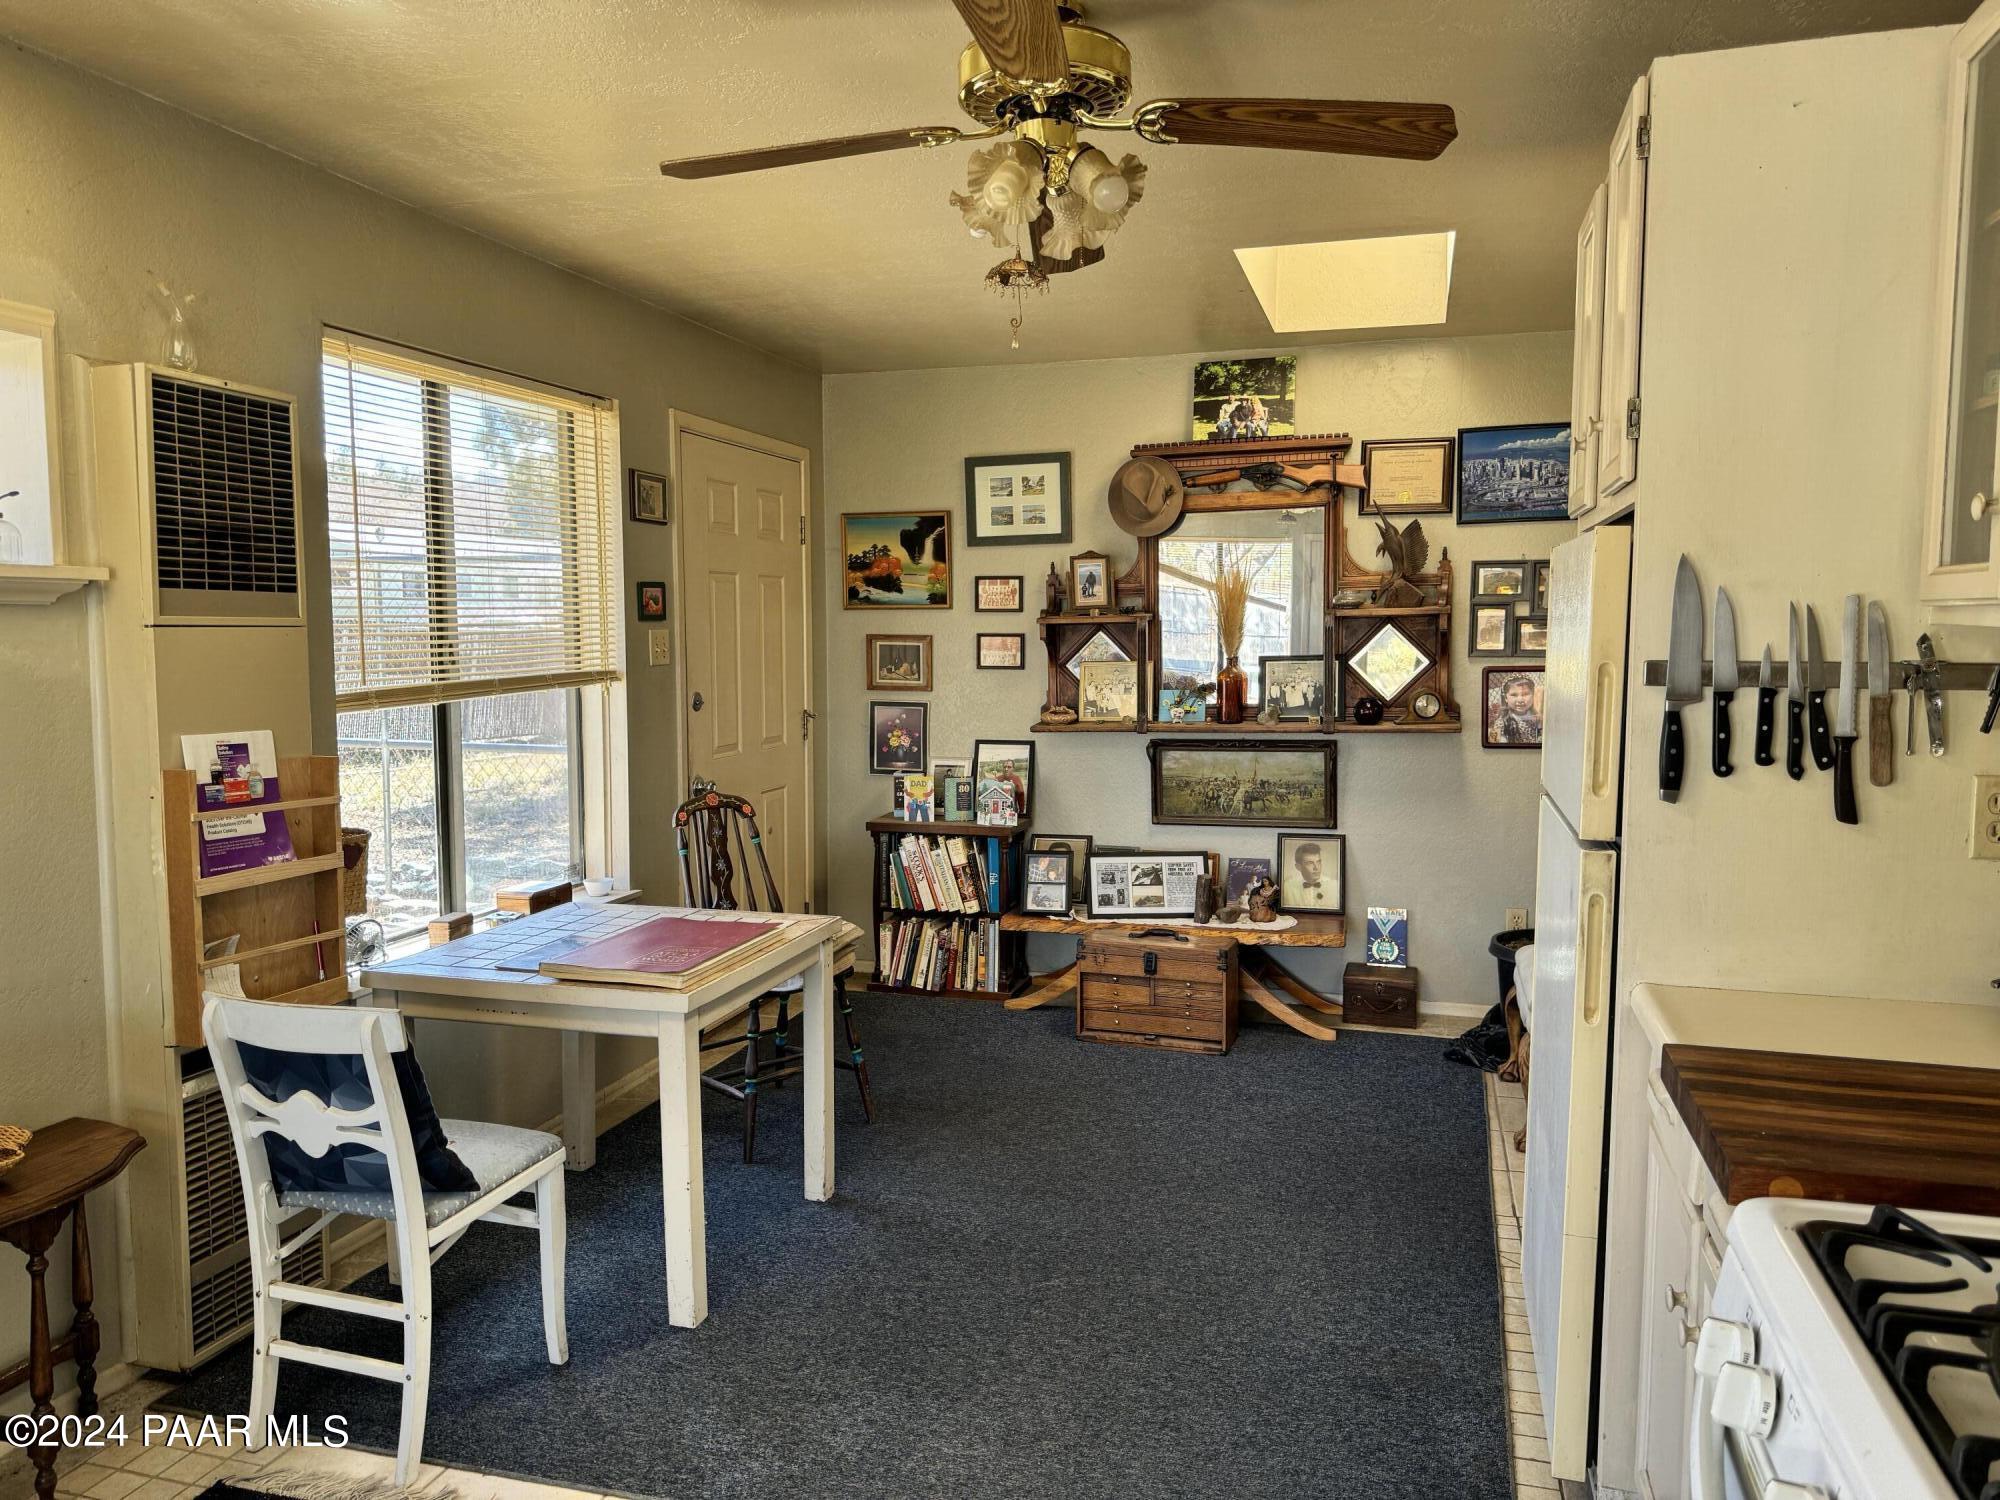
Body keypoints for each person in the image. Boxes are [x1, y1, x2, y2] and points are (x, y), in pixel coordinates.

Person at [1285, 841, 1333, 909]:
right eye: (1310, 863)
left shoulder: (1334, 886)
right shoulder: (1287, 888)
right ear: (1298, 867)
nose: (1316, 868)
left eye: (1318, 862)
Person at [1496, 675, 1543, 743]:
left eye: (1525, 694)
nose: (1520, 700)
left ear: (1533, 695)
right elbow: (1494, 744)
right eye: (1514, 695)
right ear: (1506, 698)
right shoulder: (1501, 723)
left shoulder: (1536, 717)